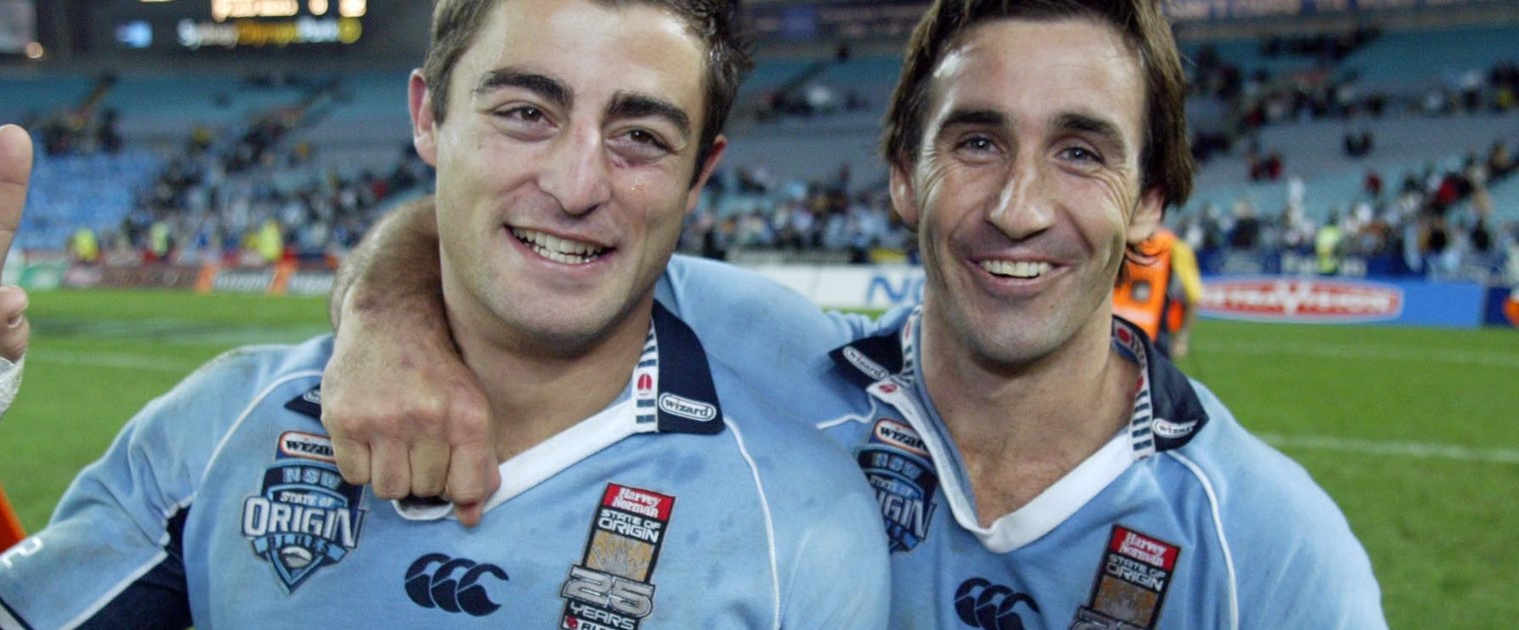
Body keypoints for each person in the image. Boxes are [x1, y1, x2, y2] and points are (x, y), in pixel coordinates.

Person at [0, 1, 890, 627]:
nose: (573, 181)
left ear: (703, 174)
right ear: (426, 115)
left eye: (639, 136)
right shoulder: (223, 427)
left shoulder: (808, 513)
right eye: (522, 111)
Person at [321, 0, 1389, 627]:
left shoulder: (1266, 551)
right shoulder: (766, 357)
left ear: (1151, 199)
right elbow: (523, 246)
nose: (1017, 208)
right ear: (901, 179)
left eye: (1080, 151)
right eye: (973, 142)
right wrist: (386, 322)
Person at [1112, 227, 1202, 359]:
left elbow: (1193, 297)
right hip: (1112, 334)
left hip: (1150, 338)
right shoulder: (1116, 239)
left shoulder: (1175, 248)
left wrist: (1182, 338)